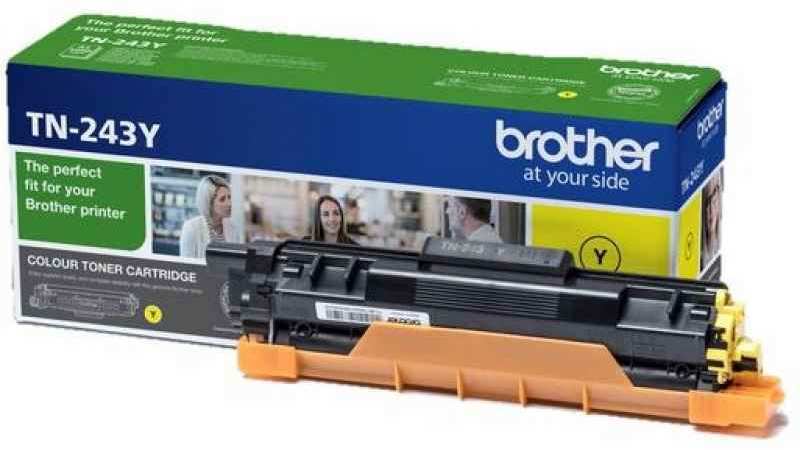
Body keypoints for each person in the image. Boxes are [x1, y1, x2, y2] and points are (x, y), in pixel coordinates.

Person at [180, 175, 242, 258]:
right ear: (209, 204)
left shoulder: (233, 227)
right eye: (222, 199)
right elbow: (186, 264)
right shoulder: (191, 228)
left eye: (229, 197)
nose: (230, 203)